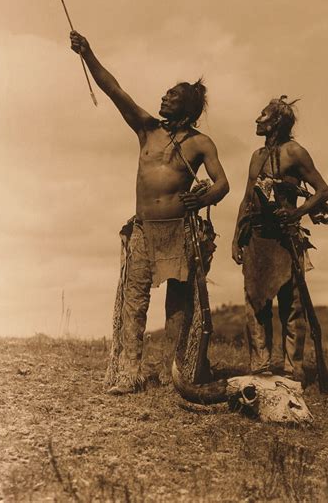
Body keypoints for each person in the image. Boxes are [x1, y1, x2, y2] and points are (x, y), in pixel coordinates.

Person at [69, 31, 229, 395]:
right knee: (134, 300)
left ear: (187, 106)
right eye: (164, 93)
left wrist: (201, 200)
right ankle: (129, 374)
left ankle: (177, 371)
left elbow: (222, 184)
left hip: (179, 231)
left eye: (172, 95)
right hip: (143, 230)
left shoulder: (200, 143)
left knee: (177, 304)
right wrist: (88, 53)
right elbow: (114, 89)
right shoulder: (147, 129)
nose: (163, 97)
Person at [232, 96, 328, 383]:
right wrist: (237, 236)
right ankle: (261, 367)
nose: (257, 120)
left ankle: (291, 370)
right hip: (256, 238)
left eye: (262, 115)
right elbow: (247, 198)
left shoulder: (295, 152)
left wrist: (298, 211)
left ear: (275, 121)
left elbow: (323, 191)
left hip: (285, 239)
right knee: (255, 302)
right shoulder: (256, 156)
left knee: (292, 305)